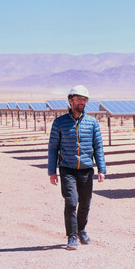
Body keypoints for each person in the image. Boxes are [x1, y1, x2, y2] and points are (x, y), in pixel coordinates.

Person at [48, 85, 106, 250]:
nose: (82, 102)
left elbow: (98, 147)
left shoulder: (92, 122)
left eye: (85, 99)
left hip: (87, 169)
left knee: (85, 203)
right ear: (70, 100)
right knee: (71, 202)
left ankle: (81, 229)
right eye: (79, 99)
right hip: (67, 169)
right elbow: (53, 148)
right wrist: (52, 171)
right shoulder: (60, 123)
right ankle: (72, 236)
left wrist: (102, 169)